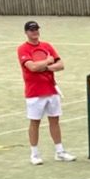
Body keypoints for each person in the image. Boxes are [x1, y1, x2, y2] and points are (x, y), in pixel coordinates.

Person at [19, 21, 74, 165]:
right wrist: (48, 61)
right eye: (31, 30)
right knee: (35, 122)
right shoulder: (23, 49)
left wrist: (46, 67)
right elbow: (32, 67)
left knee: (55, 121)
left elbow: (60, 65)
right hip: (34, 92)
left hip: (51, 90)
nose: (34, 32)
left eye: (36, 29)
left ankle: (60, 152)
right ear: (26, 32)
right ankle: (34, 154)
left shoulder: (47, 46)